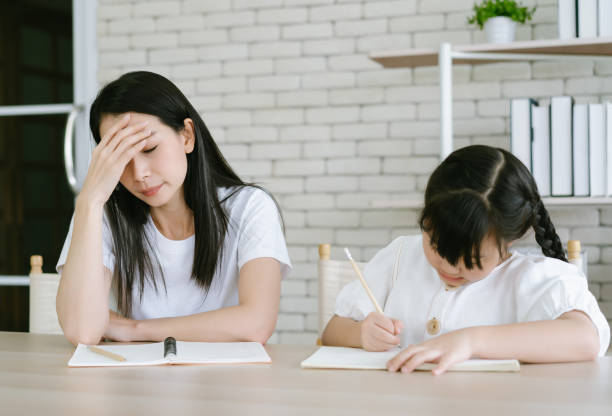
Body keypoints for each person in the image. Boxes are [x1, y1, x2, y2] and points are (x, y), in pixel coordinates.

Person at [322, 145, 610, 375]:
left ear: (510, 239)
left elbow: (585, 338)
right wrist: (362, 334)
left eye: (470, 259)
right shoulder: (399, 256)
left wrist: (471, 341)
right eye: (435, 245)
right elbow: (332, 331)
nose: (448, 267)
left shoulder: (533, 278)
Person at [56, 71, 291, 346]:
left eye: (150, 148)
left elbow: (257, 323)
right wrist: (88, 201)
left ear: (187, 136)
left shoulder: (250, 207)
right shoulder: (101, 213)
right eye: (121, 158)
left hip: (227, 382)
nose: (140, 173)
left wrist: (134, 329)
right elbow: (82, 332)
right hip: (135, 382)